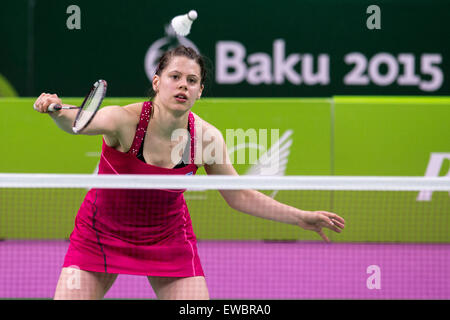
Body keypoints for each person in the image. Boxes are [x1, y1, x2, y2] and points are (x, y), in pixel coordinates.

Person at [33, 45, 345, 300]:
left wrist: (301, 218)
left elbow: (239, 195)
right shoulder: (124, 120)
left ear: (199, 91)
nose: (183, 84)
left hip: (166, 240)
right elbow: (79, 123)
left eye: (192, 80)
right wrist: (56, 110)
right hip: (100, 235)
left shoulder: (206, 139)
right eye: (175, 76)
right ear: (157, 82)